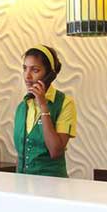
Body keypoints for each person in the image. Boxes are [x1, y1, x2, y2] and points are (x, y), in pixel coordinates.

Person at [13, 45, 77, 177]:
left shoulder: (65, 103)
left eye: (35, 70)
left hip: (52, 184)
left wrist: (43, 105)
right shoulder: (22, 106)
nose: (27, 76)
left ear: (49, 75)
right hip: (23, 184)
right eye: (25, 68)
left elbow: (55, 151)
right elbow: (21, 155)